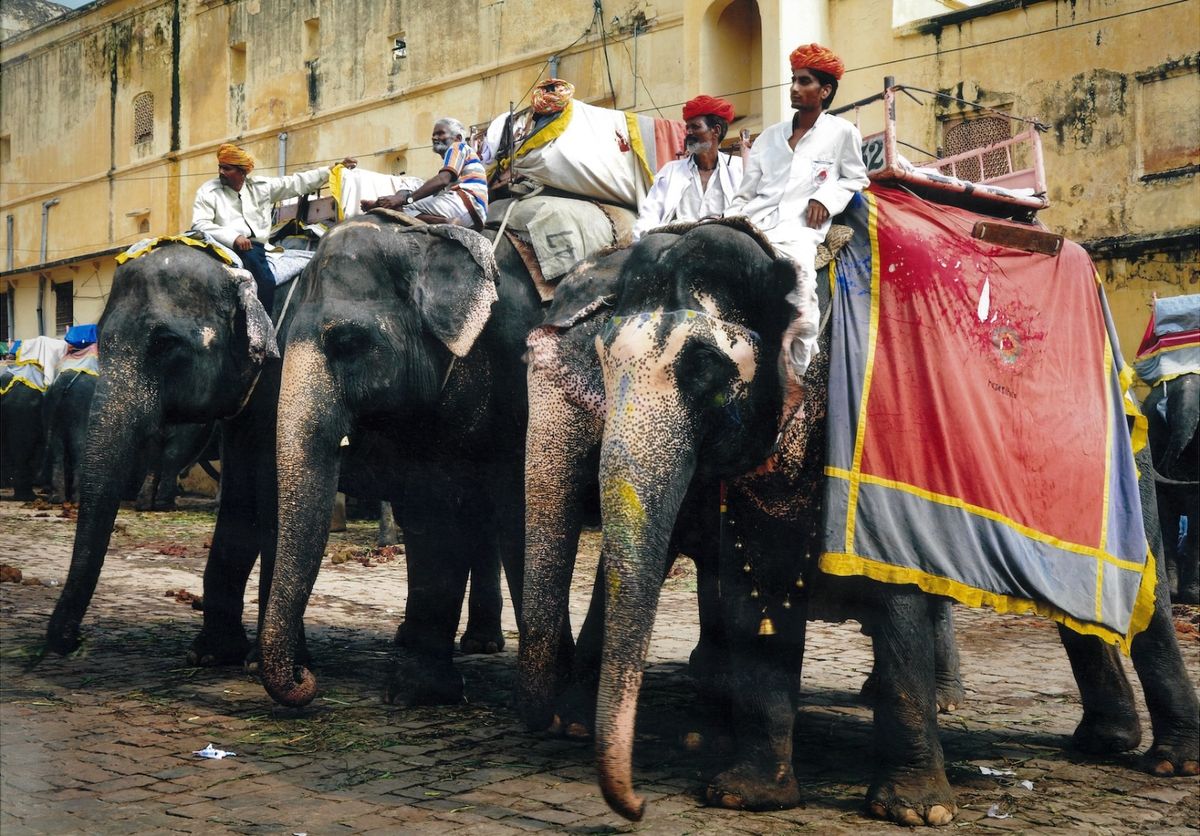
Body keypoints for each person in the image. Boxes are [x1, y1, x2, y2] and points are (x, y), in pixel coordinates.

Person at [726, 43, 868, 382]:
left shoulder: (842, 133)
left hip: (799, 231)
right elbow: (745, 193)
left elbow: (856, 178)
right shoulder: (769, 137)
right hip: (753, 223)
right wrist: (727, 222)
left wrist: (825, 199)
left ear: (825, 90)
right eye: (793, 79)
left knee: (801, 297)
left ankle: (794, 378)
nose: (794, 87)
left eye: (804, 81)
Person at [191, 143, 357, 312]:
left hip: (255, 247)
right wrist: (234, 238)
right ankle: (258, 325)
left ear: (242, 172)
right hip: (225, 247)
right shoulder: (208, 191)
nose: (221, 172)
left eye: (227, 168)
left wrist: (332, 170)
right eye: (220, 167)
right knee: (263, 281)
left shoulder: (260, 187)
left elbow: (296, 183)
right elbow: (200, 223)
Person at [631, 95, 744, 241]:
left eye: (695, 127)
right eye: (687, 127)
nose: (689, 132)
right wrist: (638, 244)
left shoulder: (739, 169)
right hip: (676, 244)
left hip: (724, 243)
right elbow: (649, 215)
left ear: (716, 130)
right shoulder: (670, 171)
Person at [360, 118, 488, 229]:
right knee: (414, 187)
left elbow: (443, 179)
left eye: (440, 133)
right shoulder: (462, 157)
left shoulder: (458, 147)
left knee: (401, 206)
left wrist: (404, 199)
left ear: (458, 138)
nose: (434, 138)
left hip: (465, 203)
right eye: (433, 135)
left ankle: (445, 222)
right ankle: (385, 203)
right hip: (475, 215)